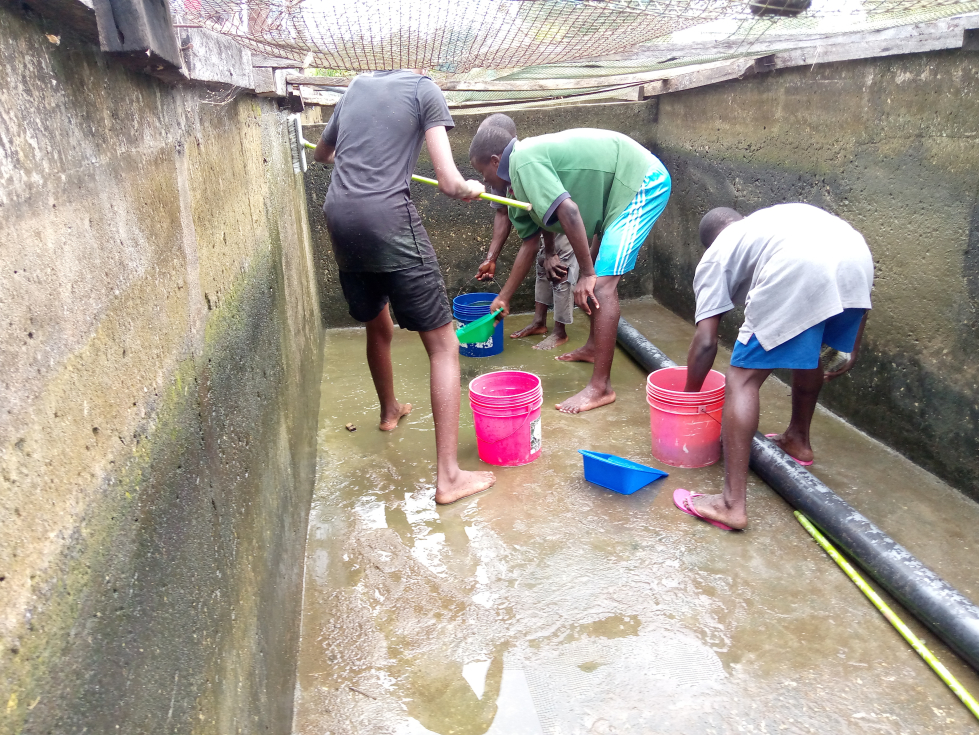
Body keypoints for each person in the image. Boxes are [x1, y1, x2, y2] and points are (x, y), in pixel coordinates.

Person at [313, 70, 496, 504]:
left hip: (339, 217)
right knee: (444, 345)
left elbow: (324, 155)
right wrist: (471, 187)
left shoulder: (355, 86)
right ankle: (448, 478)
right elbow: (450, 183)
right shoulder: (425, 89)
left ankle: (389, 409)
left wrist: (363, 169)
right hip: (388, 220)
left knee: (378, 324)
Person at [674, 203, 874, 531]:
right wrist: (851, 347)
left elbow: (707, 341)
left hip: (800, 264)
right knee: (808, 355)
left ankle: (730, 504)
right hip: (858, 258)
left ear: (710, 242)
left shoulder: (718, 252)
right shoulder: (770, 224)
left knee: (741, 378)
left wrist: (688, 401)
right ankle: (798, 440)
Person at [469, 126, 671, 412]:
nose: (484, 181)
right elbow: (532, 241)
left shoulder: (523, 159)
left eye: (482, 173)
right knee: (594, 273)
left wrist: (587, 274)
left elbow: (570, 211)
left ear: (494, 160)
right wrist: (504, 297)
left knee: (600, 284)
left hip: (640, 181)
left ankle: (601, 388)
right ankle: (592, 349)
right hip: (612, 194)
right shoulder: (517, 180)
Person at [472, 116, 580, 350]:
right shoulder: (499, 172)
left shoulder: (523, 164)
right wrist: (491, 258)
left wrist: (551, 251)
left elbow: (551, 212)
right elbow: (502, 214)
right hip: (542, 219)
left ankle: (560, 331)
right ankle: (539, 322)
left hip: (564, 219)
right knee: (543, 264)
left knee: (559, 266)